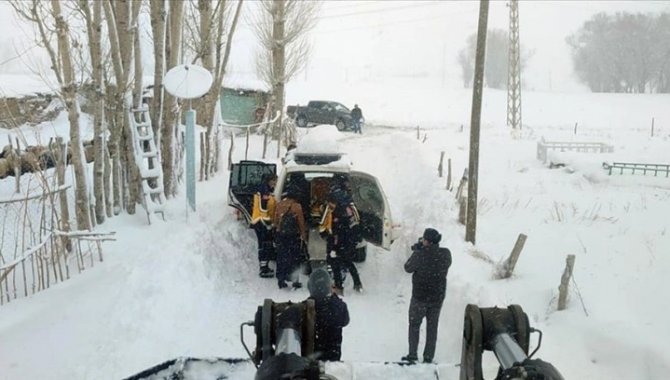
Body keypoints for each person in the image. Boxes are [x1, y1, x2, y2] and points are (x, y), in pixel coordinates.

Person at [401, 228, 452, 364]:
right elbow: (443, 262)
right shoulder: (446, 254)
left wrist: (418, 251)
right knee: (432, 327)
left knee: (414, 325)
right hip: (437, 297)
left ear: (427, 241)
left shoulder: (419, 255)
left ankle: (412, 354)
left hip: (420, 297)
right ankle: (428, 356)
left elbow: (407, 268)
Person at [323, 185, 363, 295]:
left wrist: (334, 248)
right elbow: (356, 224)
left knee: (335, 264)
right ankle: (358, 284)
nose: (329, 205)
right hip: (349, 241)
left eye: (330, 203)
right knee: (348, 262)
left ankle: (339, 287)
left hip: (339, 243)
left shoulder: (336, 213)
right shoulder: (349, 208)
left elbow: (335, 233)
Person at [306, 268, 350, 361]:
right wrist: (334, 298)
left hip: (309, 358)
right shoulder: (338, 306)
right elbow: (345, 321)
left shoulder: (306, 306)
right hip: (333, 358)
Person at [272, 183, 308, 289]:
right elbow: (301, 223)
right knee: (294, 258)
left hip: (281, 235)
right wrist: (304, 236)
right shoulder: (297, 206)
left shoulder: (279, 205)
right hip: (293, 236)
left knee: (282, 257)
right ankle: (294, 280)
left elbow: (275, 221)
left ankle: (281, 280)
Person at [251, 173, 277, 278]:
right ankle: (263, 269)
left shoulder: (266, 190)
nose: (275, 183)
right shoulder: (264, 190)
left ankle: (264, 266)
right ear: (270, 180)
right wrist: (268, 223)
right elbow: (263, 208)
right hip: (261, 222)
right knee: (264, 244)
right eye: (274, 180)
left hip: (261, 221)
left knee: (265, 244)